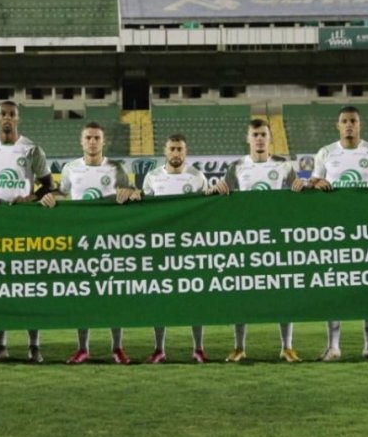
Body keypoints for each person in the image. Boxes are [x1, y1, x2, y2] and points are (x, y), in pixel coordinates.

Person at [40, 122, 140, 364]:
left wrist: (131, 192)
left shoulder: (116, 169)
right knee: (83, 295)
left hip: (109, 241)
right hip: (81, 241)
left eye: (97, 137)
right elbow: (63, 193)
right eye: (88, 138)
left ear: (103, 141)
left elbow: (131, 192)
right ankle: (82, 348)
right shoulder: (70, 169)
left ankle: (117, 347)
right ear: (81, 141)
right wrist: (50, 197)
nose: (92, 142)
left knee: (113, 294)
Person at [212, 119, 305, 363]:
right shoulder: (237, 167)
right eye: (255, 134)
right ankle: (239, 347)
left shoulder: (284, 166)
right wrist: (216, 190)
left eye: (264, 134)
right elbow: (223, 195)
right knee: (242, 292)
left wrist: (300, 188)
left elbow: (297, 196)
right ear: (248, 139)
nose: (260, 139)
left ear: (270, 138)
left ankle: (287, 346)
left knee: (282, 292)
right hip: (247, 239)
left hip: (276, 239)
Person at [308, 106, 368, 363]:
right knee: (335, 285)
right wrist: (316, 184)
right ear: (337, 126)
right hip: (335, 230)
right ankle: (333, 346)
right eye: (344, 121)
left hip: (366, 230)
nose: (348, 125)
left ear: (360, 125)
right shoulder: (325, 153)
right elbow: (313, 184)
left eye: (353, 121)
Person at [0, 101, 53, 363]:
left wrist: (29, 199)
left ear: (18, 119)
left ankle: (34, 345)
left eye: (12, 115)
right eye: (3, 115)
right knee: (0, 286)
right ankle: (1, 344)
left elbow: (48, 187)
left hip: (26, 226)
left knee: (29, 285)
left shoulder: (31, 149)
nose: (7, 119)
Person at [140, 134, 209, 363]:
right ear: (165, 151)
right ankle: (159, 349)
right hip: (161, 250)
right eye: (172, 149)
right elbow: (144, 213)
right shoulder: (152, 178)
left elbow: (207, 210)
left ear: (185, 152)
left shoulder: (197, 177)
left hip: (189, 250)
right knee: (160, 299)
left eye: (180, 149)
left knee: (194, 298)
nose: (176, 153)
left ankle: (198, 348)